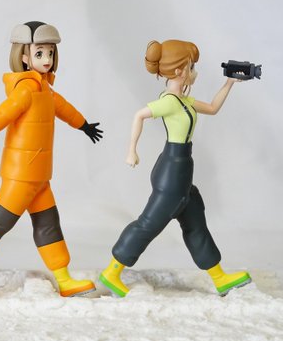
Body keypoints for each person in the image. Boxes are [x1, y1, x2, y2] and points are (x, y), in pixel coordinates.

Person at [0, 21, 103, 298]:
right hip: (21, 175)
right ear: (23, 56)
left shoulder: (46, 90)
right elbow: (3, 114)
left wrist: (84, 126)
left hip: (40, 176)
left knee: (49, 224)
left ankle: (64, 279)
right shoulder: (25, 90)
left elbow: (65, 110)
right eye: (39, 53)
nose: (46, 59)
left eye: (50, 53)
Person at [99, 39, 251, 297]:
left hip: (182, 171)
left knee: (196, 222)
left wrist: (229, 83)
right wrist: (131, 150)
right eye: (191, 67)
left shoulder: (184, 101)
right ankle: (111, 273)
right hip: (172, 172)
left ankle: (219, 277)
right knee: (149, 224)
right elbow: (139, 115)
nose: (194, 72)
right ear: (180, 70)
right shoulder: (170, 102)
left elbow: (213, 108)